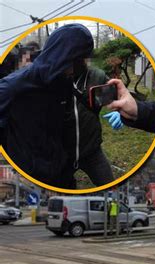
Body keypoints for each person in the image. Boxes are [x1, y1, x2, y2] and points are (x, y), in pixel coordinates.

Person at [0, 24, 94, 188]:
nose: (80, 67)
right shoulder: (14, 86)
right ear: (62, 56)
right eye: (78, 61)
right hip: (27, 177)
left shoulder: (63, 82)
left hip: (61, 174)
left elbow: (66, 122)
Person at [65, 58, 115, 186]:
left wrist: (119, 110)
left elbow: (117, 97)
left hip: (92, 150)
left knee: (110, 188)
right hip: (61, 153)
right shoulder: (51, 78)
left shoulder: (97, 76)